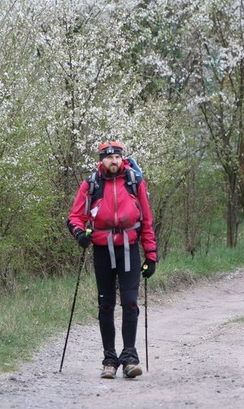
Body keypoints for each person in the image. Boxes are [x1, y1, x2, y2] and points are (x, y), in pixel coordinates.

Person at [66, 140, 157, 379]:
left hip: (129, 250)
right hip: (102, 251)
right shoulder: (91, 184)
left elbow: (146, 221)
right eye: (108, 157)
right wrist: (79, 234)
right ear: (101, 160)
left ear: (122, 158)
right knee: (106, 305)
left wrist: (151, 255)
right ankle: (109, 360)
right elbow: (75, 217)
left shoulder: (134, 181)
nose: (113, 161)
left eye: (117, 156)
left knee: (130, 302)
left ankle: (129, 358)